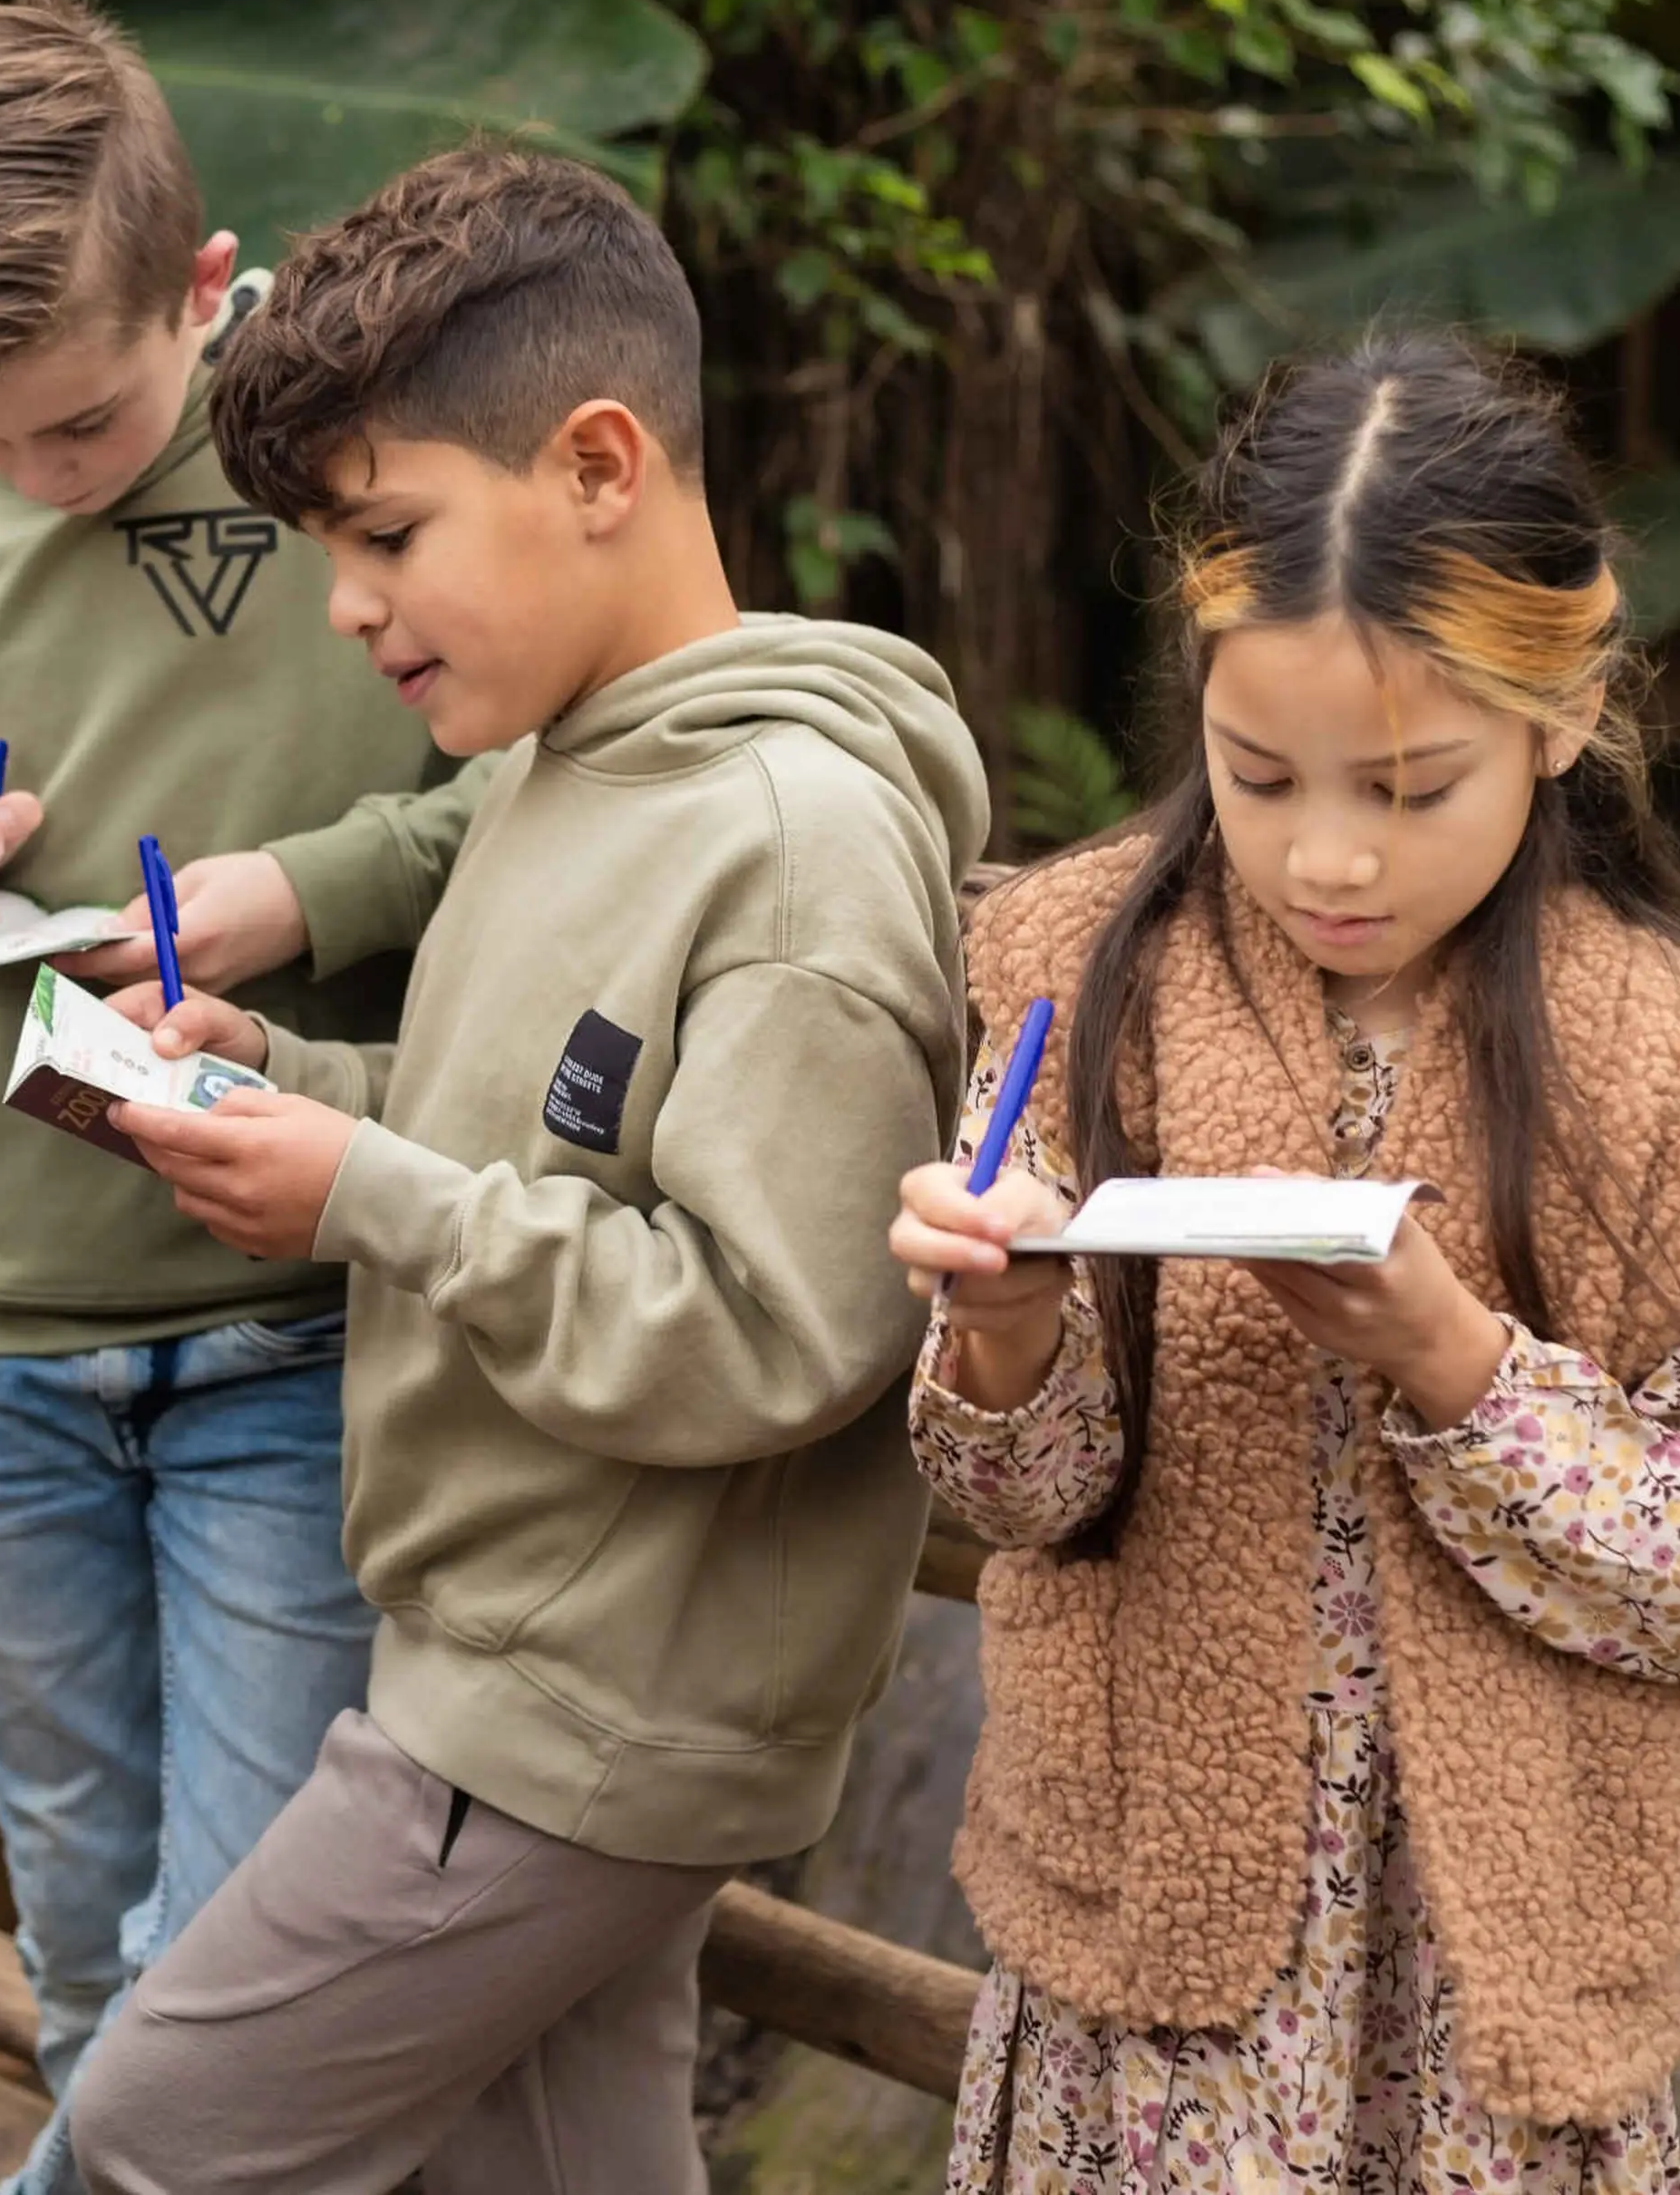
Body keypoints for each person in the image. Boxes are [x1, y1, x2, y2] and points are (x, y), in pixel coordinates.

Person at [67, 143, 989, 2195]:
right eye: (325, 544)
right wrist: (289, 1081)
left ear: (596, 464)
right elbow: (533, 1141)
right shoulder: (561, 760)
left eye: (387, 530)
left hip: (572, 1716)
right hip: (535, 1676)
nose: (346, 604)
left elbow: (783, 1327)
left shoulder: (790, 841)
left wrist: (365, 1197)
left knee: (146, 2140)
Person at [886, 337, 1680, 2193]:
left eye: (1410, 787)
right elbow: (1018, 1493)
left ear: (1561, 715)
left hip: (1481, 2007)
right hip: (1156, 1971)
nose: (1327, 854)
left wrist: (1459, 1362)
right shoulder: (1084, 971)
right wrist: (1002, 1330)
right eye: (1260, 774)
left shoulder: (1678, 1063)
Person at [0, 0, 496, 2194]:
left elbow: (539, 790)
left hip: (283, 1303)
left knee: (239, 1943)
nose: (23, 480)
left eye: (74, 429)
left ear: (203, 288)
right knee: (83, 1934)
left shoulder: (356, 462)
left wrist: (306, 886)